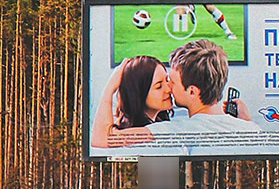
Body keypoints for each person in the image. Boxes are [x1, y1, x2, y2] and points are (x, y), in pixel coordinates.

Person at [96, 39, 257, 147]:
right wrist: (247, 120)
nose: (169, 87)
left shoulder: (175, 131)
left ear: (192, 91)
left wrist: (109, 89)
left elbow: (103, 139)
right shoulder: (252, 130)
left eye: (172, 81)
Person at [91, 55, 173, 148]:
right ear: (139, 93)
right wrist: (109, 89)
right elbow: (100, 140)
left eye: (167, 80)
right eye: (158, 86)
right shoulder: (149, 132)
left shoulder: (160, 125)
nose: (168, 89)